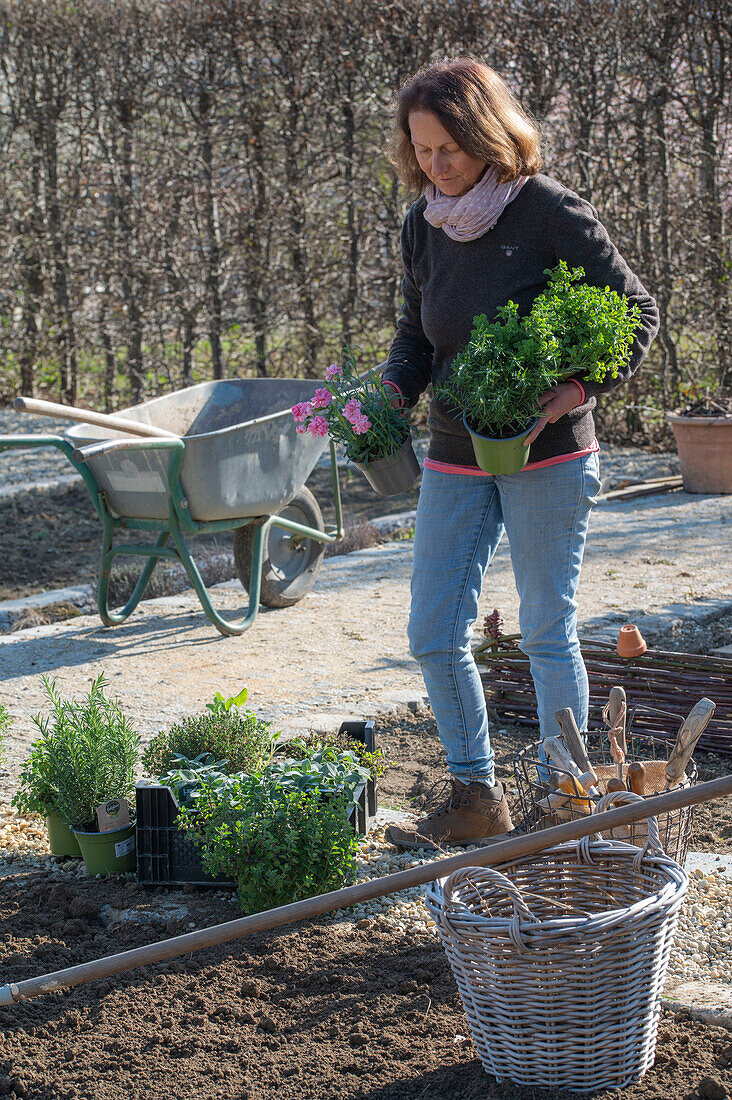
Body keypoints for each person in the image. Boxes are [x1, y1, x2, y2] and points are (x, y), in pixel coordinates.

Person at [381, 58, 660, 851]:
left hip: (549, 453)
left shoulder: (544, 211)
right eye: (422, 150)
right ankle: (476, 795)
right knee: (434, 630)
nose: (436, 166)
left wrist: (572, 393)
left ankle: (565, 797)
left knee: (545, 629)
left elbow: (636, 313)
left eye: (450, 150)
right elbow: (414, 334)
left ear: (486, 135)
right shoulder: (422, 223)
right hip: (455, 451)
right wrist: (394, 392)